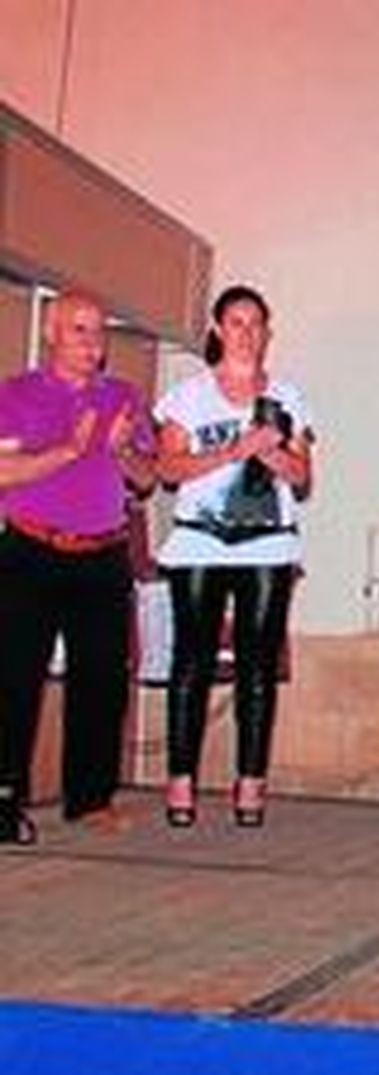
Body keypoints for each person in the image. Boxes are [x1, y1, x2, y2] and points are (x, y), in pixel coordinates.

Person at [153, 285, 314, 829]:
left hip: (269, 540)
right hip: (200, 538)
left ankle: (251, 783)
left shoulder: (287, 398)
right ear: (219, 330)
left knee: (258, 666)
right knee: (192, 661)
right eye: (237, 322)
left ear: (267, 332)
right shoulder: (188, 396)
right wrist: (230, 451)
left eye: (256, 323)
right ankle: (181, 782)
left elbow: (302, 477)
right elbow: (167, 469)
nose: (247, 333)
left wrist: (272, 452)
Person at [0, 291, 155, 843]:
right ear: (51, 332)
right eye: (79, 331)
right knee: (13, 678)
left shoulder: (123, 395)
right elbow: (4, 472)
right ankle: (4, 797)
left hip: (102, 556)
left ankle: (90, 799)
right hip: (30, 552)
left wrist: (118, 452)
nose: (92, 344)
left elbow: (145, 480)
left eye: (98, 332)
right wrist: (67, 451)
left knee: (102, 681)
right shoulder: (16, 393)